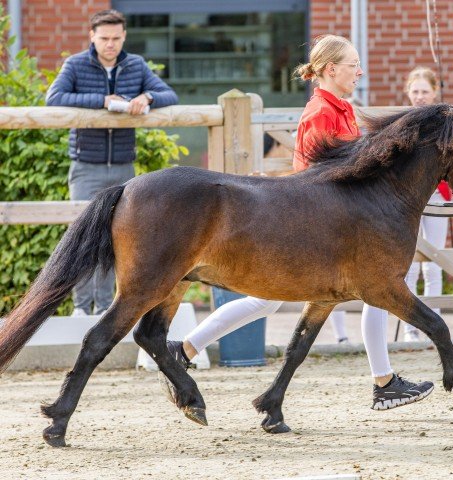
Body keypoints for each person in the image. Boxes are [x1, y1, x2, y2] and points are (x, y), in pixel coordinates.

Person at [162, 35, 434, 411]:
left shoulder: (341, 108)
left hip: (336, 222)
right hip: (319, 225)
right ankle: (383, 382)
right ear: (331, 69)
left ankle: (186, 348)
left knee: (271, 302)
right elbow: (315, 175)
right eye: (354, 64)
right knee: (367, 291)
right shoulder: (320, 112)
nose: (360, 70)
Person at [46, 9, 178, 316]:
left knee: (114, 239)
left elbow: (168, 94)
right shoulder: (76, 64)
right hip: (86, 165)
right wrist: (101, 101)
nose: (110, 44)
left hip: (122, 165)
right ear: (92, 36)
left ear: (124, 36)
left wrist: (147, 97)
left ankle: (106, 307)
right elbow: (54, 98)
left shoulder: (135, 64)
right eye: (104, 38)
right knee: (81, 237)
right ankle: (81, 307)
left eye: (116, 38)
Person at [402, 67, 451, 342]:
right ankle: (410, 328)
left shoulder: (444, 121)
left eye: (424, 91)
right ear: (408, 93)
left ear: (434, 93)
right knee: (408, 263)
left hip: (437, 195)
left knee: (434, 262)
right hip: (409, 197)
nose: (420, 96)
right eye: (415, 91)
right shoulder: (404, 121)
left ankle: (435, 326)